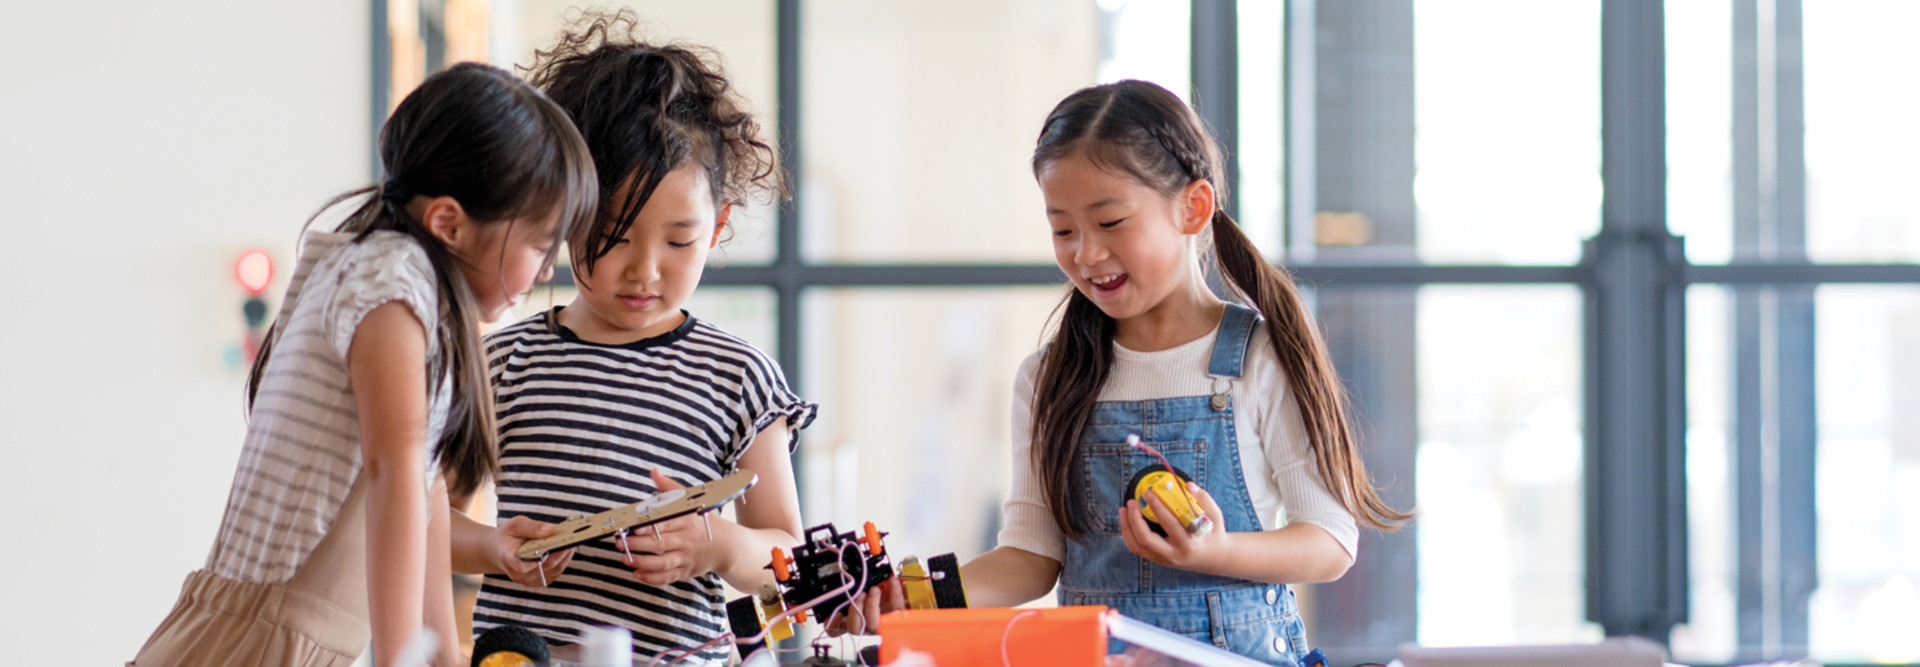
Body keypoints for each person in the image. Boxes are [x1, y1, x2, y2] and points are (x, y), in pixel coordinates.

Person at [848, 79, 1411, 665]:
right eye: (1063, 230)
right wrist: (917, 599)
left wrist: (1214, 551)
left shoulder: (1260, 358)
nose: (1085, 254)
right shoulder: (1048, 378)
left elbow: (1329, 541)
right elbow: (1029, 557)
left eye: (1111, 222)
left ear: (1193, 208)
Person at [131, 63, 597, 667]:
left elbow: (425, 495)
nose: (543, 274)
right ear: (449, 223)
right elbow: (393, 477)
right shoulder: (390, 279)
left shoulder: (409, 289)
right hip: (253, 643)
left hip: (285, 639)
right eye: (539, 246)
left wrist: (438, 659)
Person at [450, 11, 812, 665]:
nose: (644, 270)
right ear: (563, 214)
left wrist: (718, 546)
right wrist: (492, 546)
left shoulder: (739, 377)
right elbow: (425, 523)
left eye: (679, 240)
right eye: (613, 236)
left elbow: (788, 560)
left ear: (719, 223)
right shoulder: (503, 362)